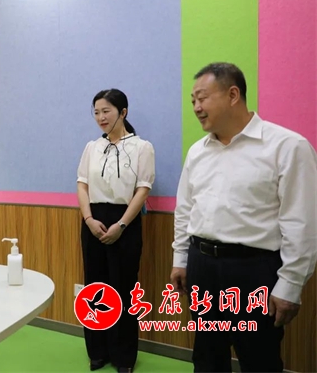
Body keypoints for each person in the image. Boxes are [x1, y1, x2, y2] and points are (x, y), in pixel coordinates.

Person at [170, 62, 317, 372]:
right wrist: (180, 260)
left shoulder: (287, 147)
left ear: (233, 94)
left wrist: (290, 286)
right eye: (193, 100)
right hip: (202, 266)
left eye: (202, 98)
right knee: (207, 358)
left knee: (259, 359)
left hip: (254, 271)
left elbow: (302, 224)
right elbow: (185, 210)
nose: (196, 107)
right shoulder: (197, 151)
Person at [77, 89, 155, 372]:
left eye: (106, 111)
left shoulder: (142, 147)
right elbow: (82, 184)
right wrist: (88, 219)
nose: (101, 117)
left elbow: (143, 189)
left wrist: (121, 224)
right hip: (93, 220)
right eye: (96, 112)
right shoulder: (92, 147)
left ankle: (124, 357)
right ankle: (97, 352)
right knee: (94, 289)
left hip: (126, 221)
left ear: (123, 112)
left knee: (123, 289)